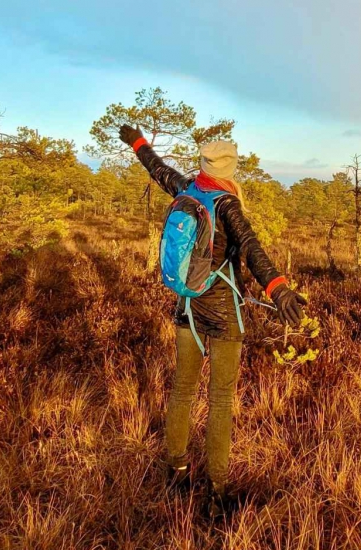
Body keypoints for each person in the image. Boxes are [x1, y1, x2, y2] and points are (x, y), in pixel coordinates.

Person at [118, 124, 306, 515]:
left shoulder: (186, 188)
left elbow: (156, 167)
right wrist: (279, 288)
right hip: (223, 315)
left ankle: (177, 471)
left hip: (186, 309)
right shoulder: (227, 204)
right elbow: (252, 248)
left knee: (182, 390)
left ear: (204, 165)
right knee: (221, 400)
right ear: (231, 168)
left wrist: (137, 141)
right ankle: (218, 491)